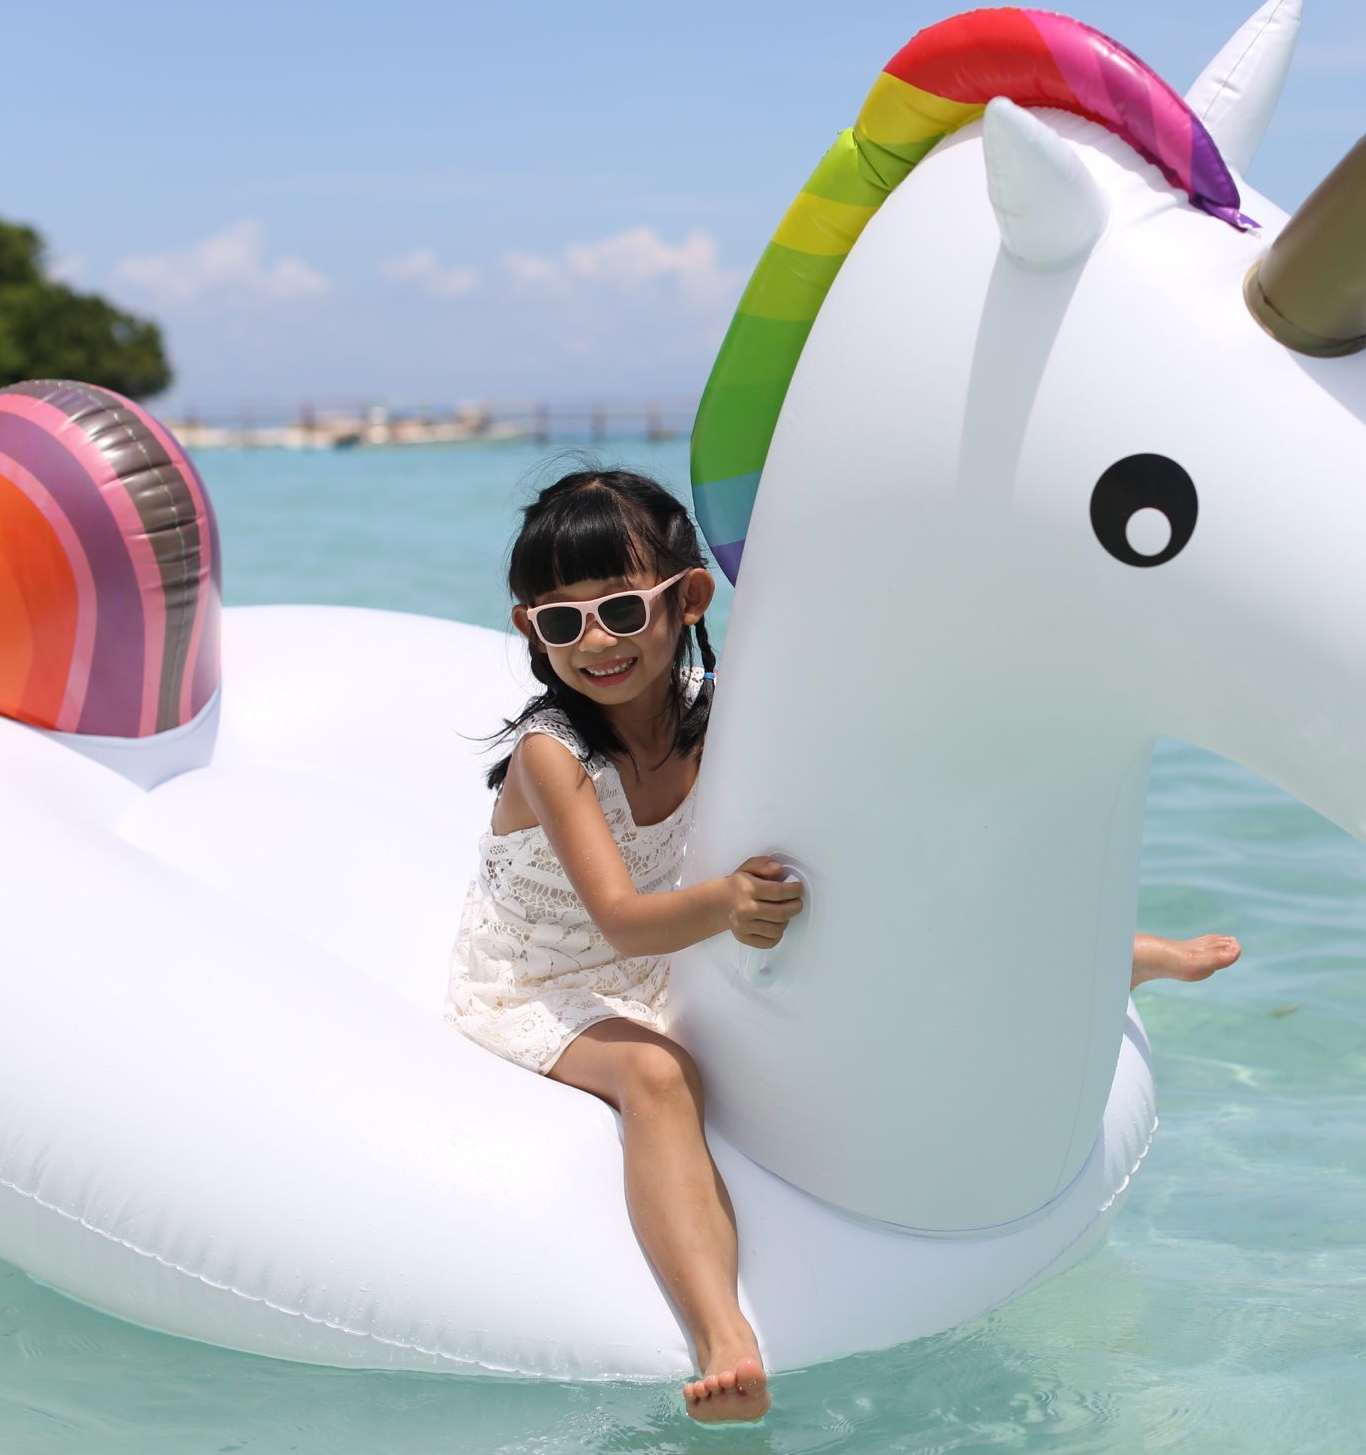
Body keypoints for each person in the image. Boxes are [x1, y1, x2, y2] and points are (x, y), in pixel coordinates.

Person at [444, 468, 1238, 1423]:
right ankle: (723, 1336)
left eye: (620, 609)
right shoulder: (553, 752)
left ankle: (1112, 959)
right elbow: (615, 920)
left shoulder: (714, 709)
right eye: (562, 623)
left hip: (668, 949)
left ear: (689, 598)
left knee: (876, 910)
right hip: (544, 977)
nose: (596, 642)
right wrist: (729, 904)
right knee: (659, 1077)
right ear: (531, 632)